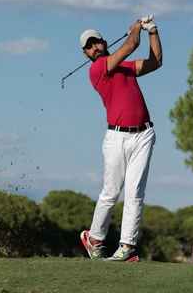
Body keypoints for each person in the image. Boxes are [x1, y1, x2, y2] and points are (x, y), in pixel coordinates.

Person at [78, 18, 163, 262]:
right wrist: (136, 30)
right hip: (117, 137)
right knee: (111, 192)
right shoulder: (97, 69)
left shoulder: (124, 67)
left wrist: (153, 31)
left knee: (135, 192)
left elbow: (156, 62)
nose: (95, 47)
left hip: (144, 134)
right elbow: (130, 45)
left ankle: (127, 247)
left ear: (104, 42)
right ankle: (94, 239)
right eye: (89, 46)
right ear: (85, 53)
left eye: (97, 42)